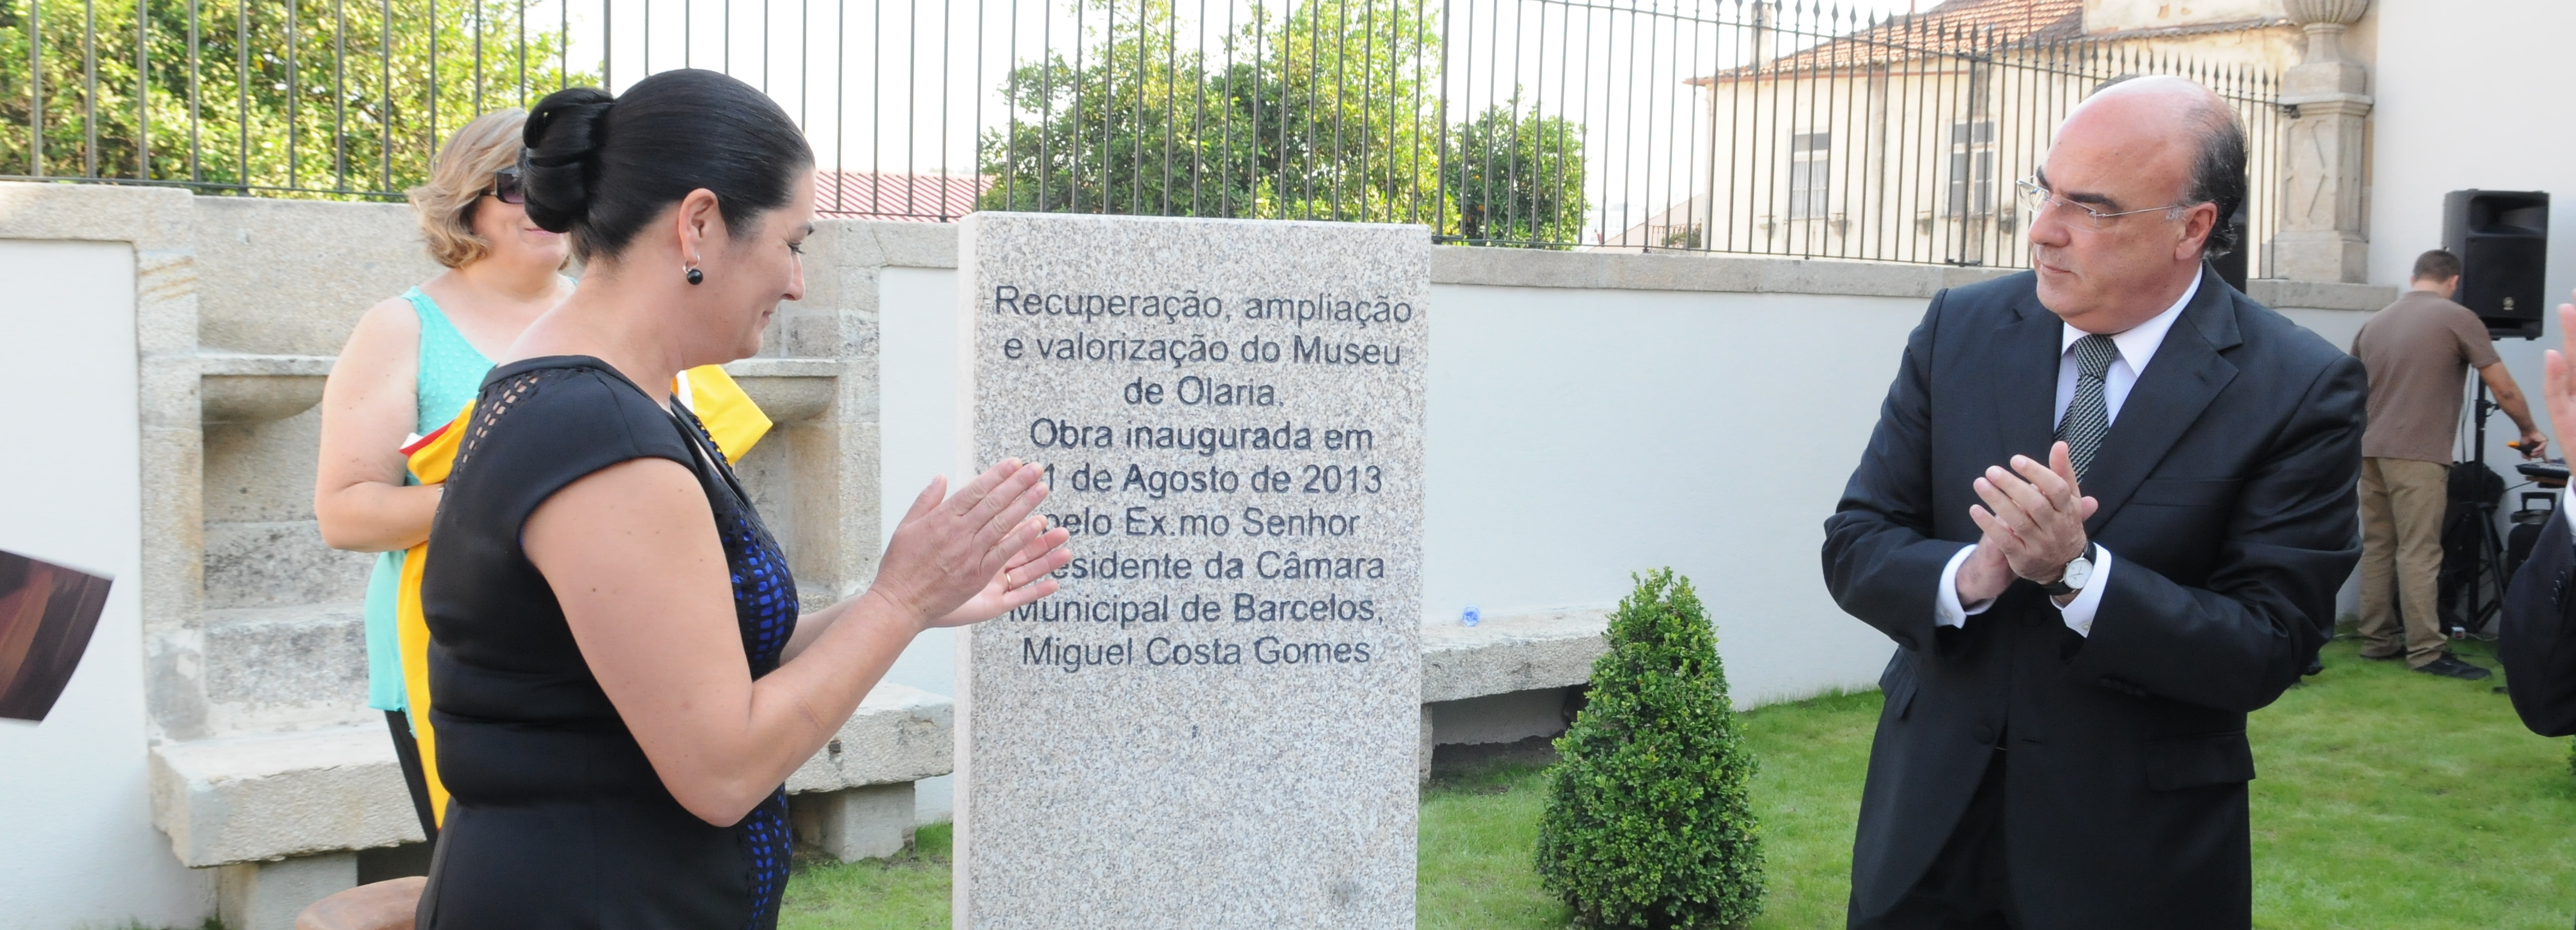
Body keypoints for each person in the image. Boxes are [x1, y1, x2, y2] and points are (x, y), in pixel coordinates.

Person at [412, 69, 1073, 928]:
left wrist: (907, 600)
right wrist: (900, 600)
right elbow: (721, 769)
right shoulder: (597, 437)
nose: (798, 281)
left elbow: (711, 666)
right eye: (792, 242)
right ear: (698, 225)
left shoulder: (618, 401)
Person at [1819, 75, 2365, 930]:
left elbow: (2270, 642)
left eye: (2092, 208)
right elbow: (1855, 542)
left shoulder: (2295, 386)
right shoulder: (1957, 329)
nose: (2042, 229)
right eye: (2042, 189)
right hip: (1924, 833)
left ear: (2192, 227)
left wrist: (2078, 576)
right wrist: (1970, 573)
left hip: (2133, 858)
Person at [313, 108, 573, 839]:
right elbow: (345, 513)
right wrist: (507, 496)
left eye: (566, 183)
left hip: (594, 640)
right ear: (469, 200)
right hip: (454, 658)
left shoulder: (609, 318)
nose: (547, 205)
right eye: (520, 185)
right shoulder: (403, 327)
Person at [2348, 249, 2545, 680]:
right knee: (2419, 550)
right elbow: (2503, 388)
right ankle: (2426, 652)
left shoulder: (2375, 322)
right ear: (2452, 281)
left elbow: (2349, 386)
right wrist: (2529, 430)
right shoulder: (2457, 317)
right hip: (2417, 452)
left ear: (2414, 275)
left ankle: (2376, 641)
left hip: (2368, 450)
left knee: (2379, 546)